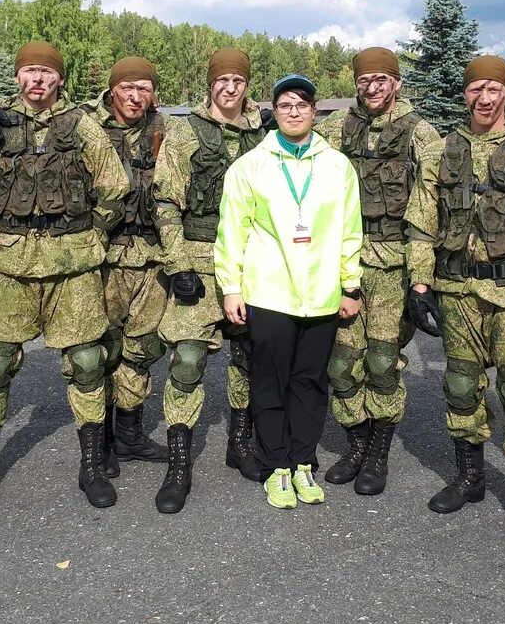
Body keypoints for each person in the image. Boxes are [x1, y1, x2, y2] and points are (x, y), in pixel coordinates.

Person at [0, 41, 130, 509]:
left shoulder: (82, 126)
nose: (38, 80)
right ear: (19, 77)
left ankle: (92, 465)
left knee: (87, 364)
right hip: (8, 265)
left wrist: (91, 235)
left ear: (60, 79)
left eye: (47, 73)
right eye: (30, 72)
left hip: (71, 263)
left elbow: (115, 186)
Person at [405, 55, 505, 547]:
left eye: (493, 88)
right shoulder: (440, 152)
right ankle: (470, 477)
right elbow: (422, 221)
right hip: (457, 292)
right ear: (466, 93)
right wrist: (419, 284)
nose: (484, 98)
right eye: (476, 89)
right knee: (458, 386)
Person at [215, 75, 363, 509]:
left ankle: (303, 462)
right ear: (273, 112)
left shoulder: (337, 166)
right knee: (270, 382)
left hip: (321, 294)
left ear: (315, 111)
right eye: (285, 104)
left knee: (310, 383)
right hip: (269, 294)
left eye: (301, 104)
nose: (294, 111)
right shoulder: (251, 166)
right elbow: (232, 232)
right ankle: (277, 465)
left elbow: (350, 231)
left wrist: (350, 284)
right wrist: (231, 288)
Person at [312, 47, 440, 495]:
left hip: (392, 265)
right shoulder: (334, 129)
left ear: (397, 83)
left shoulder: (421, 134)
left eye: (381, 80)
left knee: (383, 363)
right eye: (365, 81)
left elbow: (428, 209)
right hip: (342, 260)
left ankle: (379, 453)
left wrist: (421, 279)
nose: (372, 88)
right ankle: (356, 444)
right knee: (343, 364)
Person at [152, 48, 266, 513]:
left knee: (250, 357)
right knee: (188, 360)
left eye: (238, 80)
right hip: (198, 257)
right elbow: (165, 203)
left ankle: (240, 445)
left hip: (254, 262)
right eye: (223, 80)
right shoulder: (184, 131)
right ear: (211, 84)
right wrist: (178, 263)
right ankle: (179, 464)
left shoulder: (268, 133)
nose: (231, 87)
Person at [82, 58, 172, 471]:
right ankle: (98, 439)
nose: (136, 97)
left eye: (145, 88)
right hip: (103, 256)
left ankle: (129, 435)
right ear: (112, 89)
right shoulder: (85, 126)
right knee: (100, 349)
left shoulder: (169, 130)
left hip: (152, 257)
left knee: (141, 349)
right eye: (127, 88)